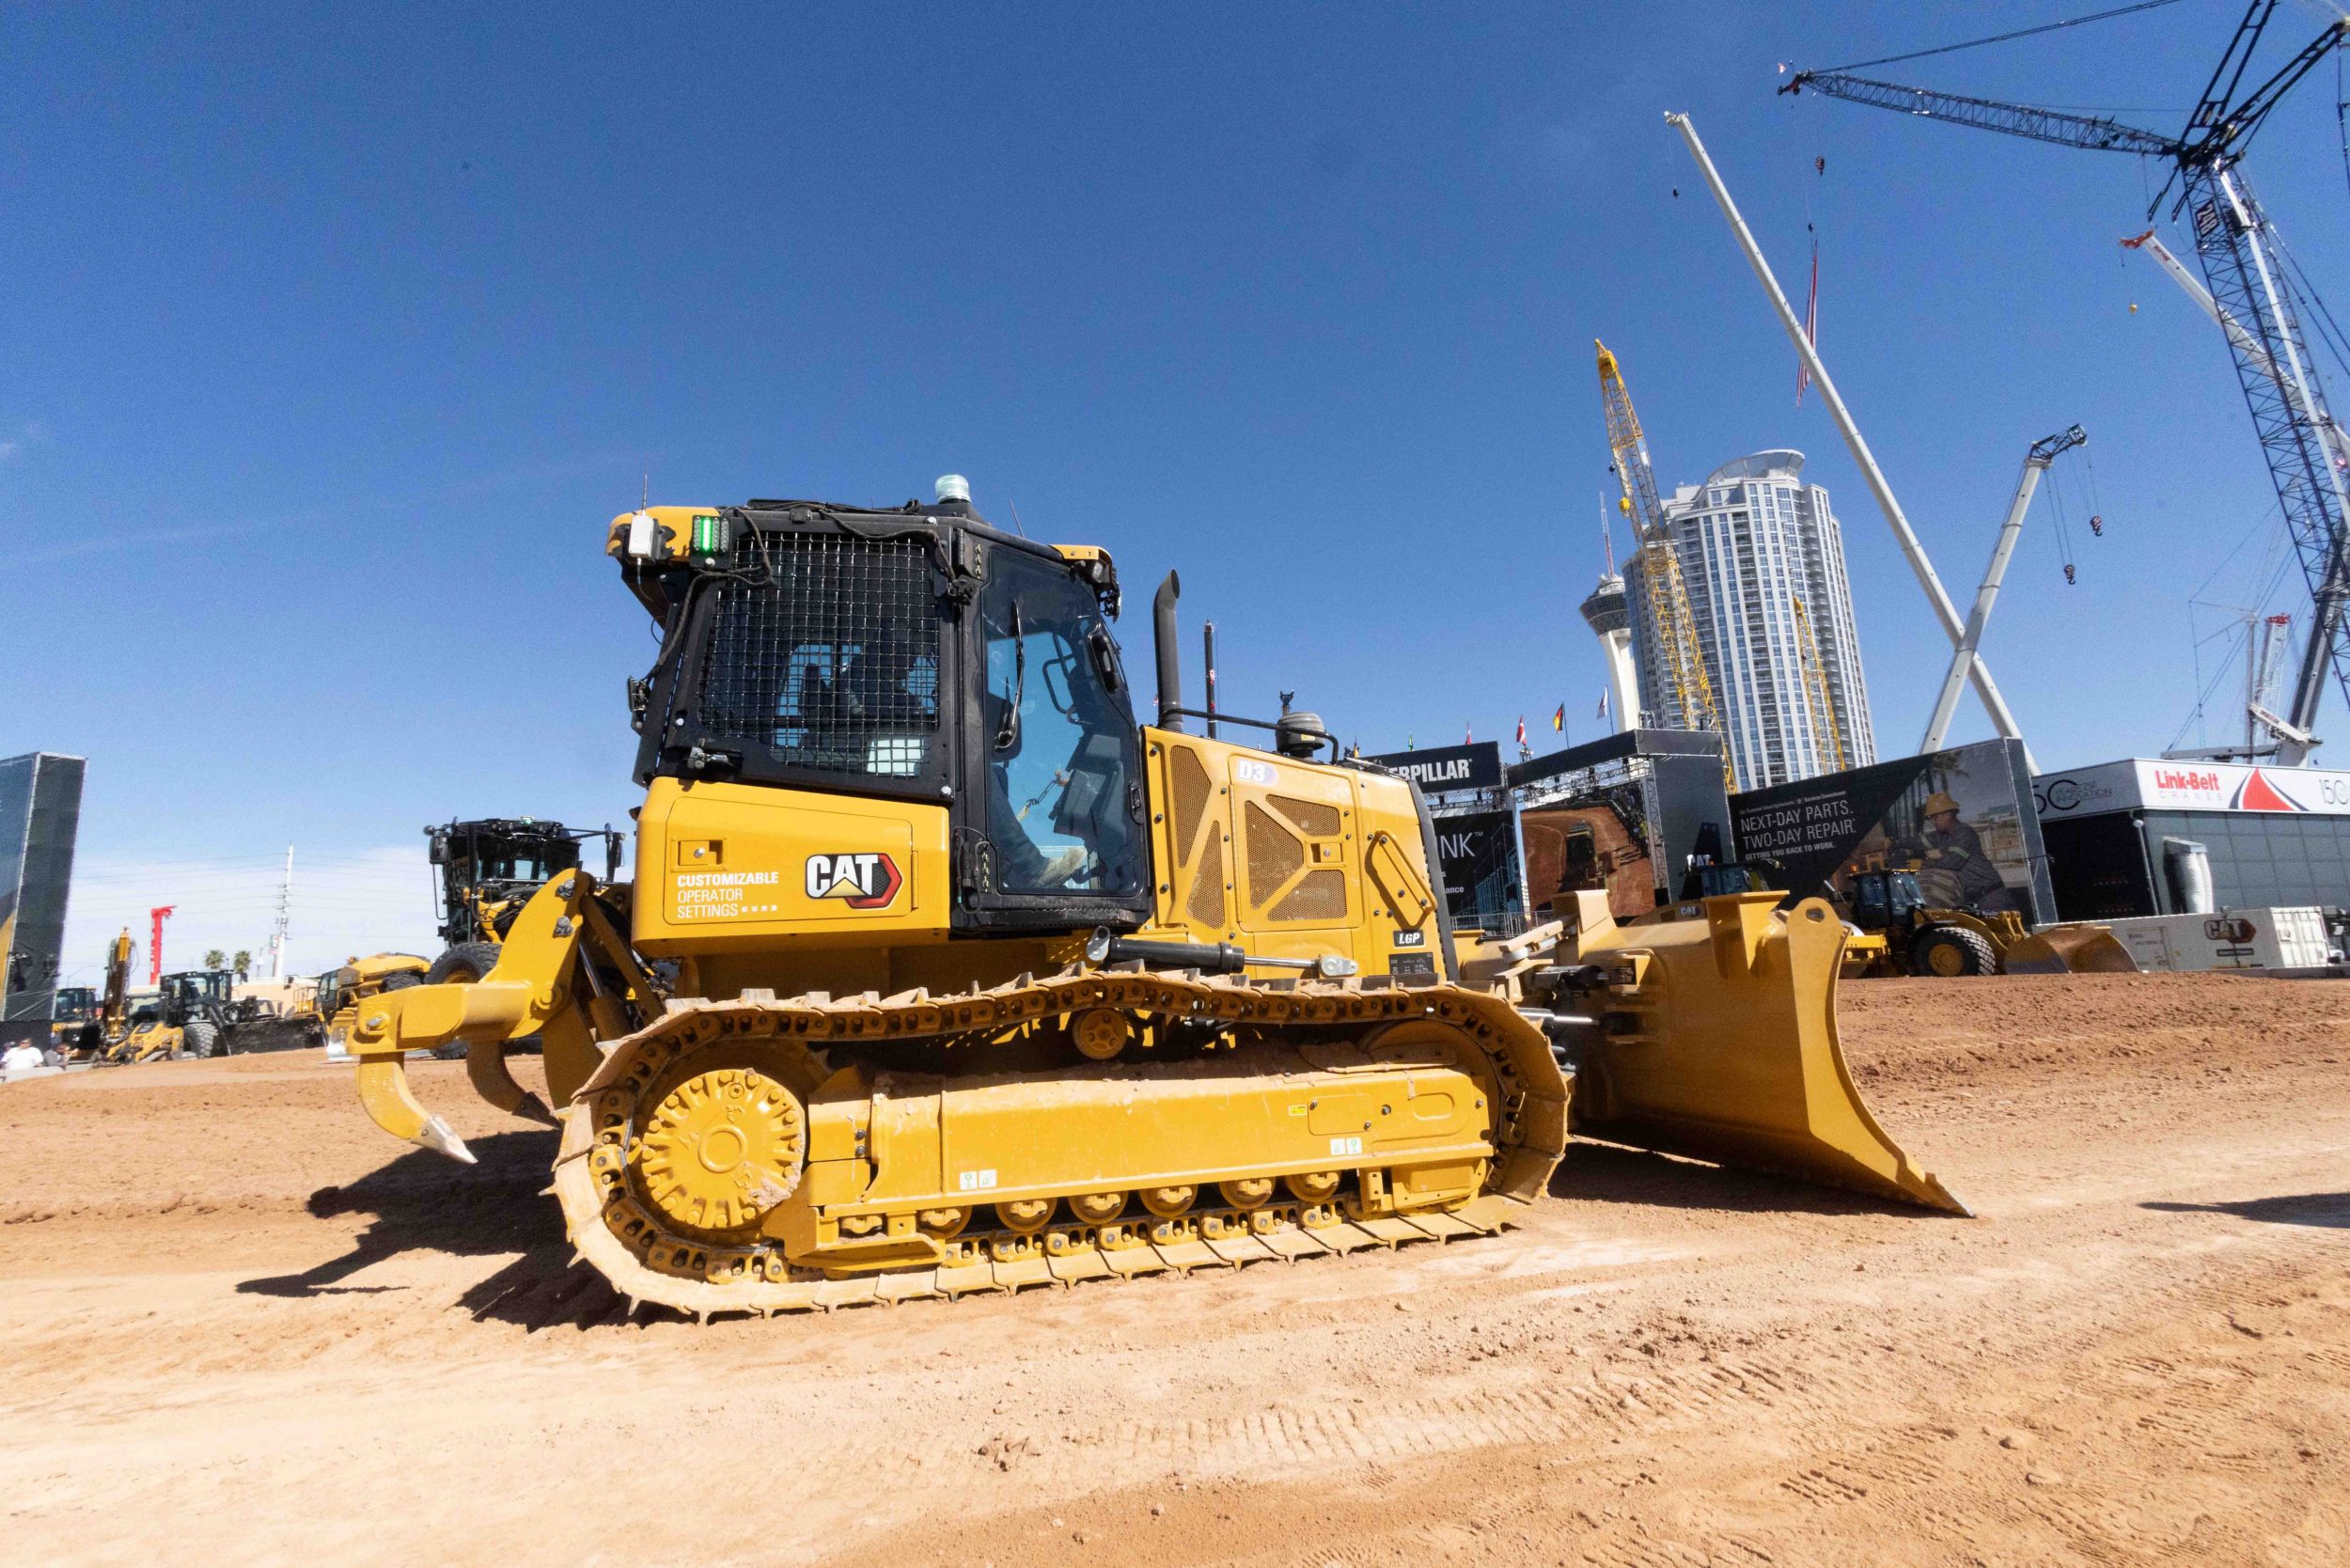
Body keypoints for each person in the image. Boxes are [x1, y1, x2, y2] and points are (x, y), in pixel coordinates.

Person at [1897, 791, 2013, 913]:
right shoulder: (1943, 835)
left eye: (1935, 817)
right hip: (1974, 898)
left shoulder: (1964, 833)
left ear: (1947, 814)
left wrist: (1923, 864)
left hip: (1992, 897)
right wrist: (1895, 843)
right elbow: (1920, 842)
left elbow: (1952, 862)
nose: (1933, 822)